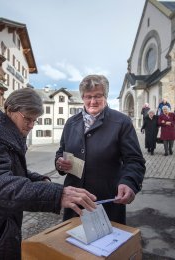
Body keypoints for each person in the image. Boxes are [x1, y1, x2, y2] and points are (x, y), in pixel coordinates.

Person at [0, 88, 97, 260]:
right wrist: (55, 195)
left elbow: (10, 169)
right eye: (28, 118)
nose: (31, 125)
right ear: (10, 109)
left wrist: (37, 179)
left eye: (35, 120)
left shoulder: (6, 134)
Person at [55, 75, 146, 225]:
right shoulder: (71, 123)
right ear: (82, 97)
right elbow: (61, 151)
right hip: (75, 202)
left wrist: (129, 182)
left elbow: (134, 161)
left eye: (98, 96)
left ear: (106, 96)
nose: (93, 101)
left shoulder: (121, 122)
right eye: (88, 96)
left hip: (106, 201)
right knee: (72, 245)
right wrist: (59, 163)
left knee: (106, 246)